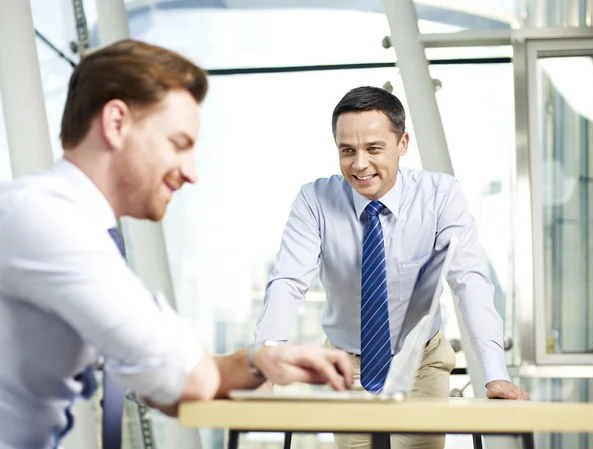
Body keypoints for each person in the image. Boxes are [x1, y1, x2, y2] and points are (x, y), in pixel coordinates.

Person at [0, 39, 353, 449]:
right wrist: (200, 369)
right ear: (116, 123)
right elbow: (183, 378)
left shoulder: (63, 220)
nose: (190, 172)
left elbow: (165, 379)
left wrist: (258, 362)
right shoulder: (47, 222)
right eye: (178, 144)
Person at [253, 86, 530, 449]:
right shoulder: (315, 200)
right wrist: (266, 364)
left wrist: (495, 374)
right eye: (347, 150)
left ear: (403, 143)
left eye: (373, 148)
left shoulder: (440, 195)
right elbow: (289, 282)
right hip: (346, 363)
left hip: (421, 361)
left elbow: (469, 281)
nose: (360, 164)